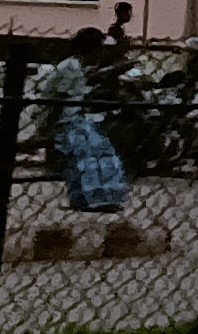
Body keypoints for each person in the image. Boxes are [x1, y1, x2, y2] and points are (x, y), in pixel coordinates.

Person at [30, 26, 128, 212]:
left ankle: (96, 197)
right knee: (89, 155)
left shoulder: (77, 66)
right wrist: (45, 128)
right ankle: (94, 197)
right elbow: (57, 101)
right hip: (67, 121)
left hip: (75, 118)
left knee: (97, 153)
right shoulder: (71, 67)